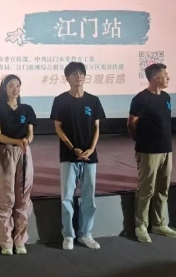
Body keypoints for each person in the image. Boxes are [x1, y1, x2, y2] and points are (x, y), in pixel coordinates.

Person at [50, 62, 105, 250]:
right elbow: (58, 128)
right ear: (67, 78)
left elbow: (96, 127)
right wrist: (72, 148)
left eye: (81, 73)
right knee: (67, 197)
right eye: (74, 73)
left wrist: (91, 149)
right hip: (69, 155)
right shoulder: (60, 100)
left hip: (90, 156)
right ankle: (68, 235)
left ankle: (86, 233)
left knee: (89, 198)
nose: (78, 76)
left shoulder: (93, 100)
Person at [127, 63, 176, 243]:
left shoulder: (166, 97)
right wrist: (141, 142)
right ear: (156, 78)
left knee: (162, 188)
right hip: (148, 151)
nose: (168, 77)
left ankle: (158, 224)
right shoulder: (141, 99)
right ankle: (141, 226)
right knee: (146, 189)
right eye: (165, 75)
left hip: (166, 149)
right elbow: (131, 124)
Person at [0, 74, 36, 255]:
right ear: (4, 88)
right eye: (11, 85)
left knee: (23, 196)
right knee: (6, 196)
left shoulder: (27, 109)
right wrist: (17, 141)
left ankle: (20, 240)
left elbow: (30, 133)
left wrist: (26, 141)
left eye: (17, 85)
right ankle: (5, 241)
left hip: (24, 152)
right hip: (5, 152)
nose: (15, 89)